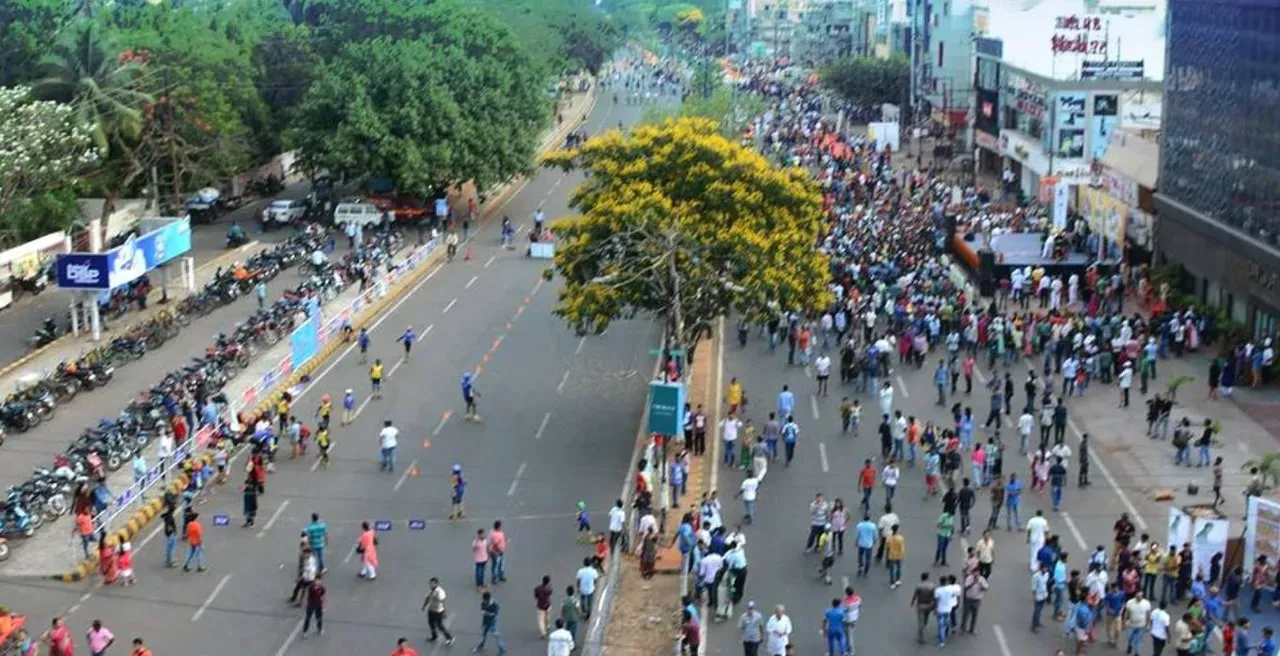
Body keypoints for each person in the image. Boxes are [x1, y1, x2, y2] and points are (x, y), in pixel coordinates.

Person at [421, 577, 455, 644]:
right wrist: (424, 606)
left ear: (437, 584)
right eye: (430, 583)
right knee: (431, 623)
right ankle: (434, 636)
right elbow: (427, 598)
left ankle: (450, 638)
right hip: (431, 610)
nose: (431, 585)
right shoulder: (431, 590)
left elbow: (443, 602)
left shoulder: (440, 592)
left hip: (438, 611)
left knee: (440, 626)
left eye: (432, 584)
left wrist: (444, 612)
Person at [302, 572, 326, 637]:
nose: (318, 582)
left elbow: (322, 596)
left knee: (319, 617)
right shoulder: (311, 587)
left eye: (319, 580)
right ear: (315, 580)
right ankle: (305, 631)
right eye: (317, 580)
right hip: (311, 604)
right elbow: (308, 594)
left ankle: (319, 628)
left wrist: (323, 606)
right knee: (308, 618)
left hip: (318, 604)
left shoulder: (322, 588)